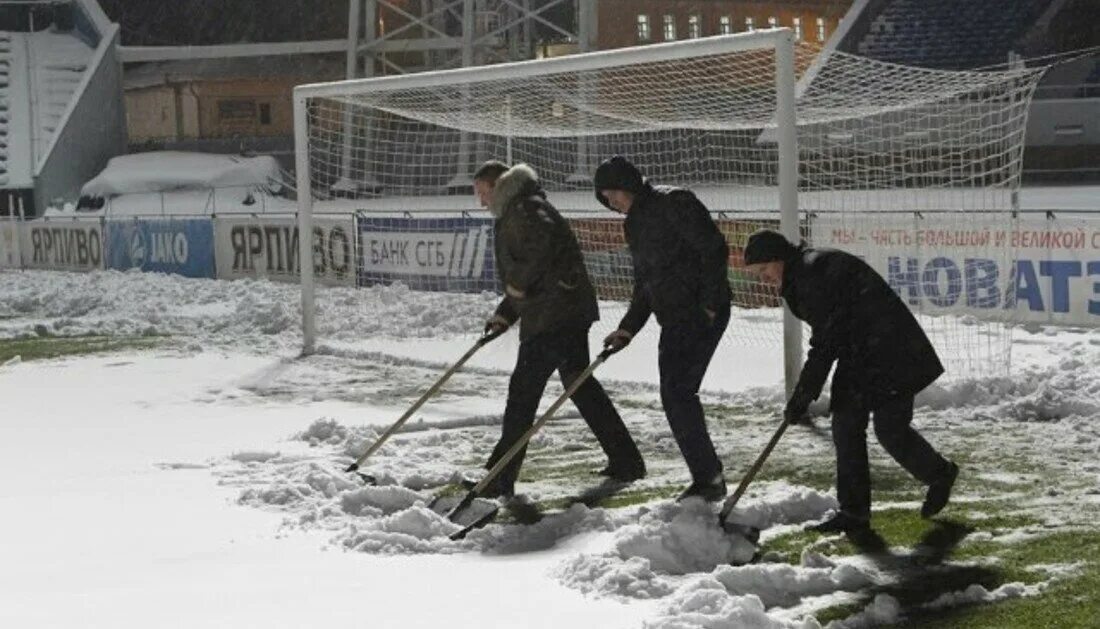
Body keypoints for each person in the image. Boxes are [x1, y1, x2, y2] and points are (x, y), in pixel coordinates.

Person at [742, 229, 959, 534]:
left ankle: (940, 474)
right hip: (860, 353)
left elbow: (826, 341)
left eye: (764, 270)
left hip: (891, 351)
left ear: (778, 258)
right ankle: (854, 512)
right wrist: (805, 392)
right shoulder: (804, 272)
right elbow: (833, 336)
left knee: (890, 430)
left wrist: (804, 393)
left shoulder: (811, 275)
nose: (764, 278)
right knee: (845, 428)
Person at [472, 160, 646, 497]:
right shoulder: (524, 207)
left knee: (524, 390)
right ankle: (626, 460)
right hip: (561, 310)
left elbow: (539, 257)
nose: (481, 202)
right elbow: (532, 270)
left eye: (483, 193)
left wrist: (519, 289)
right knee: (579, 383)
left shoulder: (524, 209)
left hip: (555, 315)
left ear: (498, 186)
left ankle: (501, 474)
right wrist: (506, 312)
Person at [593, 155, 732, 502]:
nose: (613, 204)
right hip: (673, 318)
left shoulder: (675, 202)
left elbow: (713, 249)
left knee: (678, 393)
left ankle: (709, 479)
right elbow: (646, 283)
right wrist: (627, 328)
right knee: (674, 395)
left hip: (699, 314)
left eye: (614, 196)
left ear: (628, 185)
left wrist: (710, 305)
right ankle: (707, 476)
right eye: (606, 200)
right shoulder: (633, 225)